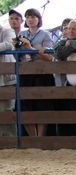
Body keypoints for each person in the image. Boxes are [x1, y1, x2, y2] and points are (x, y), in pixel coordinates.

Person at [17, 8, 55, 137]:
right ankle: (33, 137)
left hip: (42, 73)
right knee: (25, 105)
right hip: (25, 73)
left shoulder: (45, 34)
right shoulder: (21, 33)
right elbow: (17, 53)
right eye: (28, 17)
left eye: (33, 17)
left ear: (38, 19)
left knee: (43, 105)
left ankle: (41, 137)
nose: (30, 19)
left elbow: (49, 56)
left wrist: (30, 48)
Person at [0, 18, 17, 137]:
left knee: (6, 110)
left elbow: (9, 44)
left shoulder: (8, 31)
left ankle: (10, 141)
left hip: (6, 79)